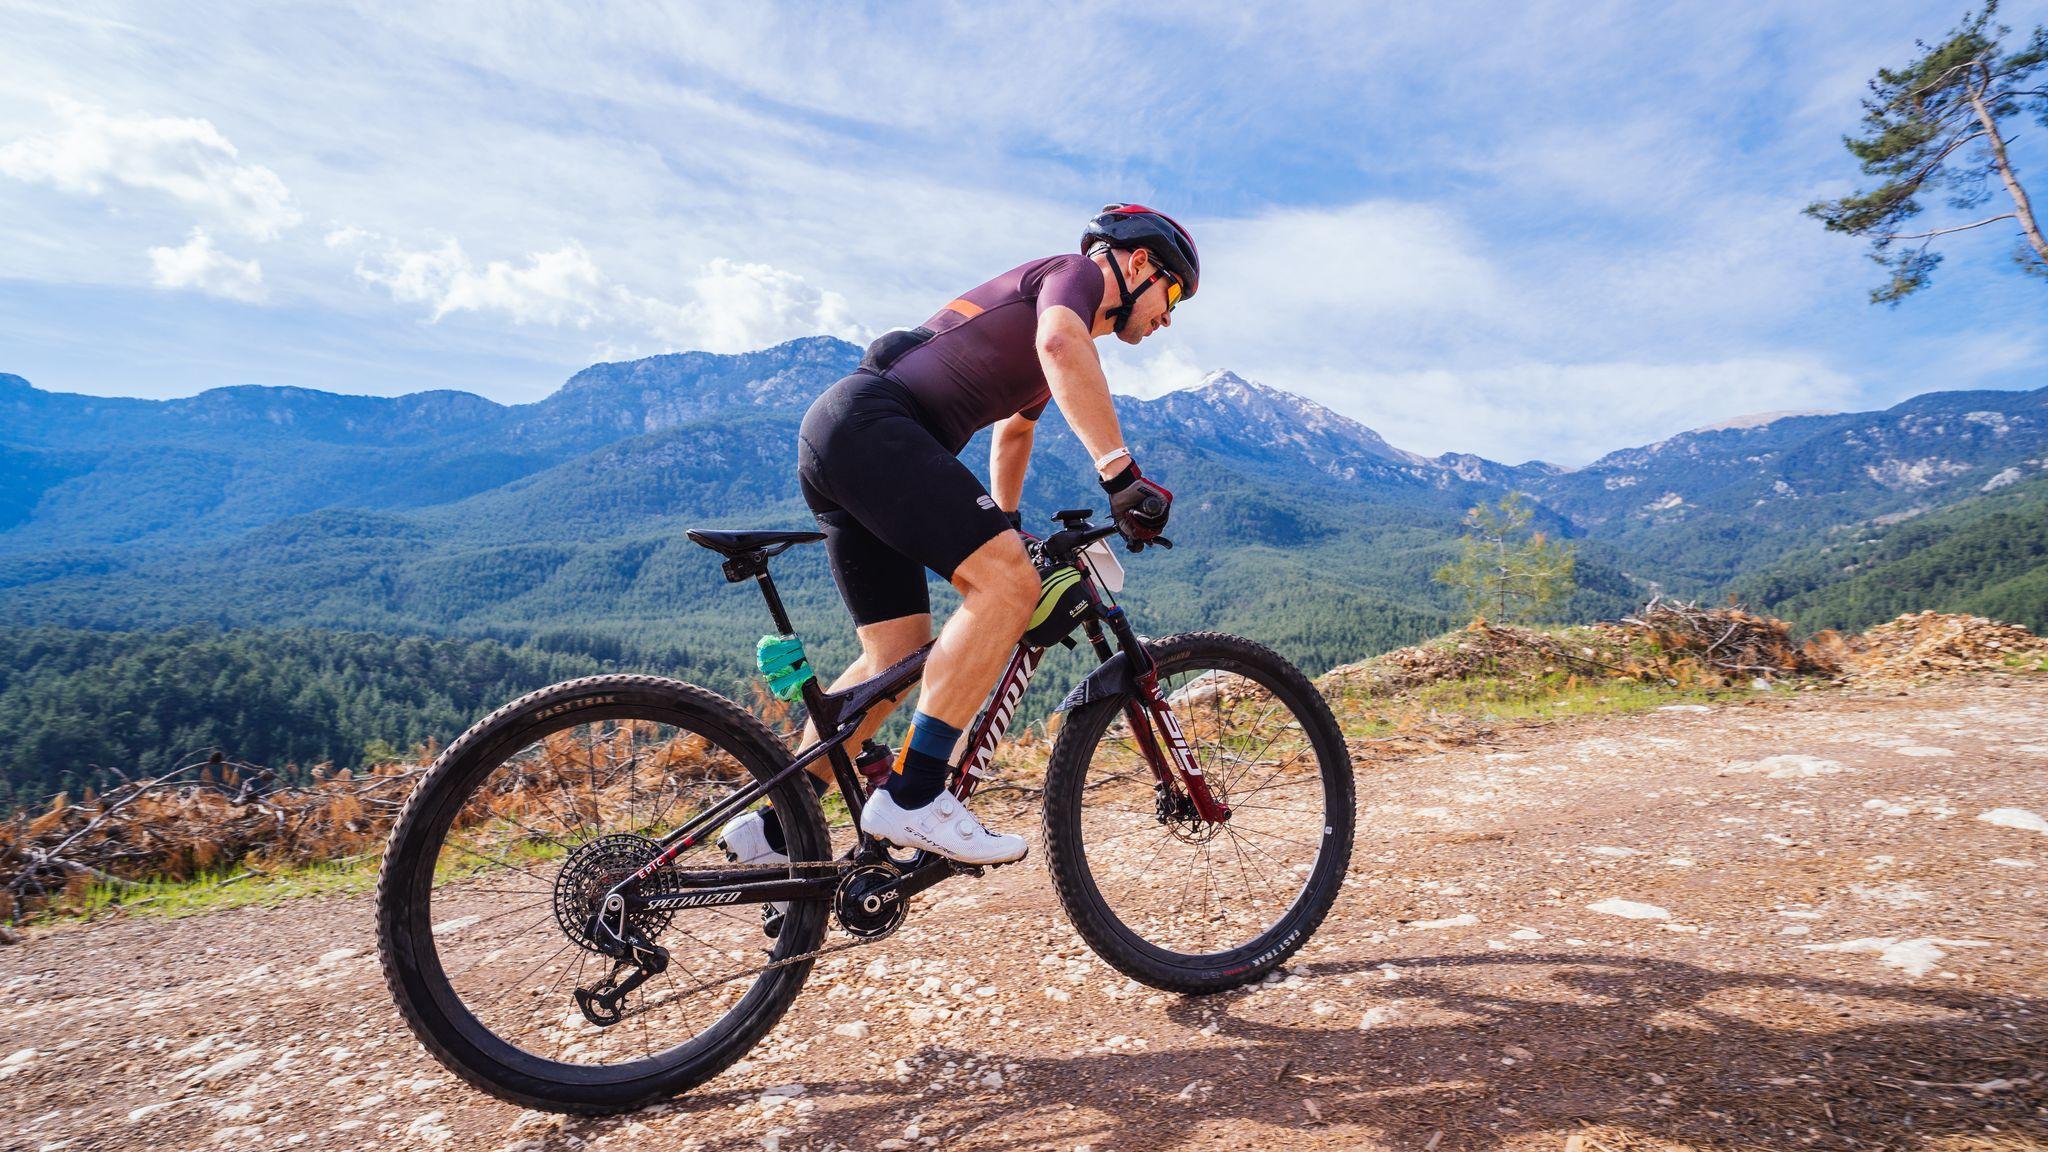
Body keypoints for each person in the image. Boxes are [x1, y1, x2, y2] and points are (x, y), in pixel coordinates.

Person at [719, 204, 1194, 894]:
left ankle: (773, 825)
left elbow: (1016, 432)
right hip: (876, 427)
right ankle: (915, 795)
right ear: (1139, 263)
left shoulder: (1049, 325)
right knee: (1007, 587)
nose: (1169, 316)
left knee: (895, 655)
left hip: (843, 435)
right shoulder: (1075, 277)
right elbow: (1062, 345)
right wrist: (1119, 476)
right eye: (1173, 292)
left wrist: (1006, 523)